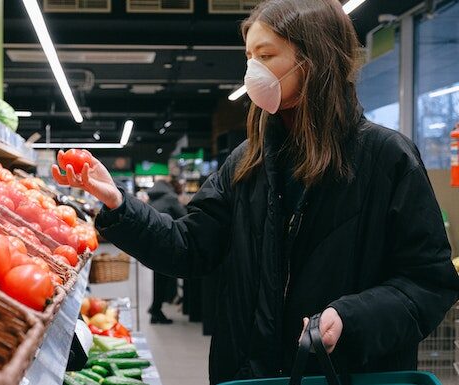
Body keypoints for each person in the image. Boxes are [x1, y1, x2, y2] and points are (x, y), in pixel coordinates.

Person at [52, 0, 459, 383]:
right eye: (249, 57)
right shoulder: (248, 162)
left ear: (314, 59)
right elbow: (189, 247)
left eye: (266, 56)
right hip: (252, 372)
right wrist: (118, 203)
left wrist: (352, 317)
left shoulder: (386, 159)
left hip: (344, 372)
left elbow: (429, 282)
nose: (252, 72)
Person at [146, 177, 187, 324]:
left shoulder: (153, 197)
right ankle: (156, 310)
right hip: (165, 243)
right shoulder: (170, 197)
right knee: (163, 278)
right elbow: (184, 216)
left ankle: (155, 309)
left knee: (159, 278)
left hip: (152, 243)